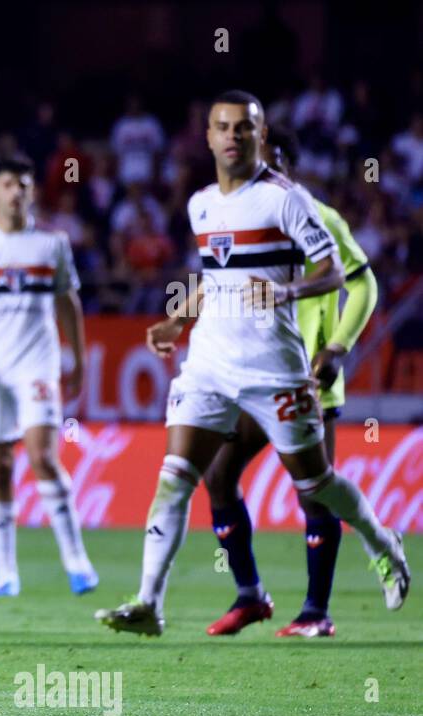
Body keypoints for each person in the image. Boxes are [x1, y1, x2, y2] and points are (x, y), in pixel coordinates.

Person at [96, 92, 409, 636]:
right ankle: (150, 603)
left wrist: (288, 294)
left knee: (315, 486)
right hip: (210, 365)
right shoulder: (199, 205)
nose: (234, 136)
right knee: (177, 477)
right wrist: (177, 320)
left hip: (275, 367)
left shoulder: (286, 200)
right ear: (209, 137)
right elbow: (219, 278)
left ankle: (382, 541)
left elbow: (335, 273)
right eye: (224, 127)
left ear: (260, 136)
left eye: (245, 128)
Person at [201, 126, 379, 638]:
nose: (266, 169)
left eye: (275, 160)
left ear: (290, 168)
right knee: (217, 474)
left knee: (313, 493)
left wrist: (339, 345)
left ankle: (316, 612)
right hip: (252, 376)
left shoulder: (320, 218)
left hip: (306, 379)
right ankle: (250, 595)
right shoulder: (242, 222)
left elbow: (364, 282)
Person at [0, 156, 99, 597]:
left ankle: (77, 562)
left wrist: (80, 360)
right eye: (7, 184)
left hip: (38, 364)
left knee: (43, 456)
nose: (15, 192)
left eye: (23, 185)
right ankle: (6, 572)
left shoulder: (51, 243)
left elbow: (69, 303)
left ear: (32, 192)